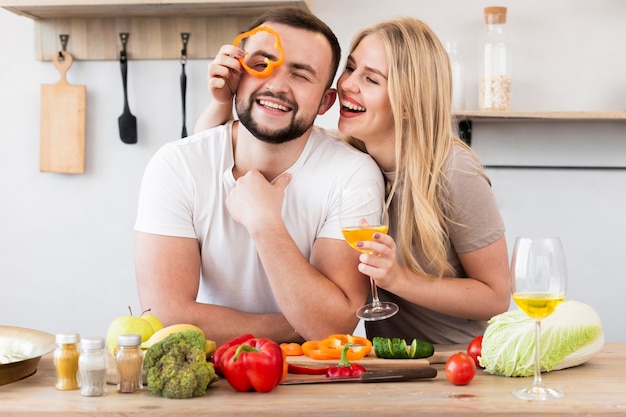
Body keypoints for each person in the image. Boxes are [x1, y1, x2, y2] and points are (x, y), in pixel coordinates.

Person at [195, 16, 510, 344]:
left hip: (455, 363)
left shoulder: (453, 172)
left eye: (371, 79)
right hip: (387, 361)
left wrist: (399, 279)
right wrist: (222, 100)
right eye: (351, 67)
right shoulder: (347, 154)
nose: (346, 85)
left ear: (408, 103)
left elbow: (496, 297)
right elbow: (219, 154)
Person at [135, 7, 384, 346]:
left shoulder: (352, 174)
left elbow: (335, 326)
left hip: (316, 382)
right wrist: (301, 325)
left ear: (326, 102)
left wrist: (266, 226)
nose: (276, 86)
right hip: (208, 378)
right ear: (237, 73)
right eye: (261, 64)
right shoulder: (176, 165)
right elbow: (165, 315)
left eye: (301, 74)